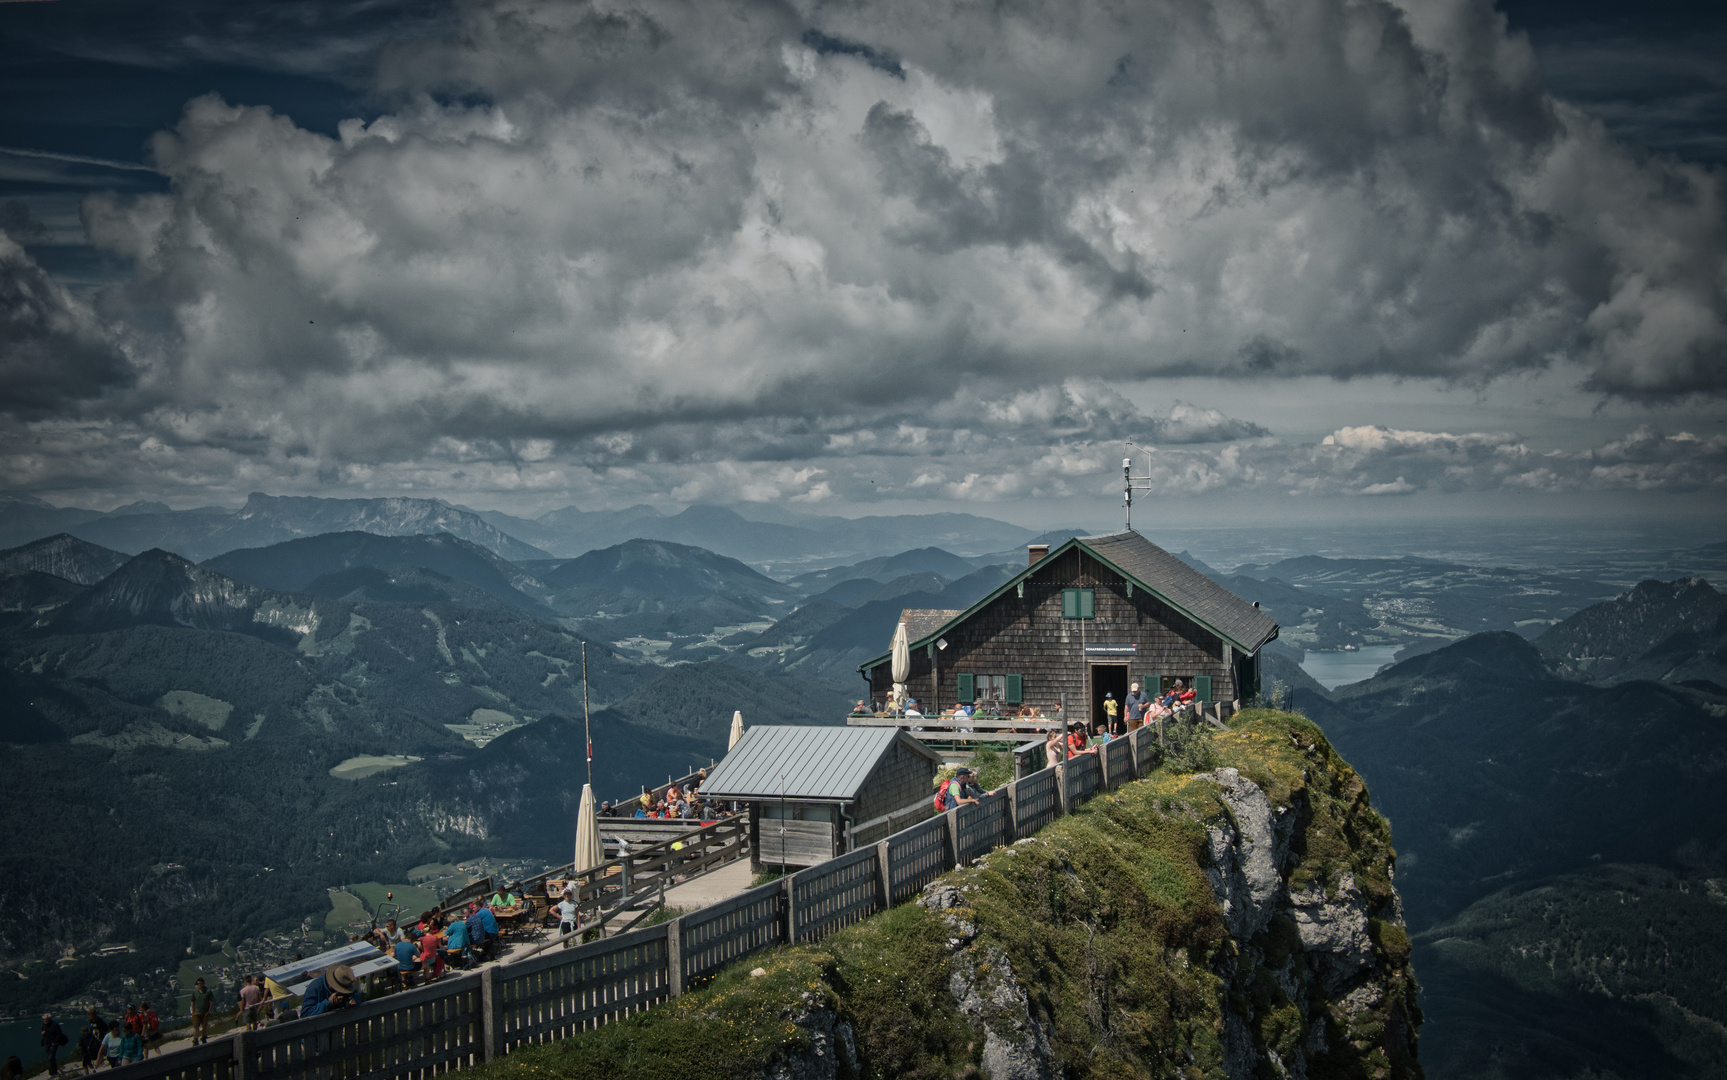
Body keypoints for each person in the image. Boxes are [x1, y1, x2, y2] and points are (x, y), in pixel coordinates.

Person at [189, 976, 214, 1044]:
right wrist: (193, 1011)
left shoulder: (208, 991)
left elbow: (212, 1001)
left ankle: (204, 1037)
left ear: (203, 983)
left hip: (205, 1012)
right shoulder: (195, 992)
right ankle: (195, 1039)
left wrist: (209, 1011)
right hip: (197, 1012)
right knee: (196, 1026)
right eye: (199, 983)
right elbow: (192, 1002)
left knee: (204, 1026)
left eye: (201, 983)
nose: (200, 985)